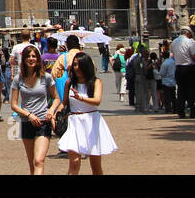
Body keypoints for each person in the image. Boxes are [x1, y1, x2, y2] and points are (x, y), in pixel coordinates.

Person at [56, 52, 116, 174]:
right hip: (75, 122)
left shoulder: (96, 82)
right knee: (74, 162)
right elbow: (64, 102)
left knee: (95, 165)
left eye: (78, 65)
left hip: (92, 122)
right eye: (74, 65)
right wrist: (56, 112)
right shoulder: (70, 82)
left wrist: (81, 98)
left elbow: (97, 101)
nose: (76, 68)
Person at [11, 45, 61, 175]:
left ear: (38, 59)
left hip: (43, 121)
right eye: (28, 56)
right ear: (24, 59)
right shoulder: (18, 79)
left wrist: (51, 111)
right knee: (32, 163)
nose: (31, 59)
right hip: (26, 122)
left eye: (33, 56)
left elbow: (57, 98)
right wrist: (29, 115)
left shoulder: (46, 78)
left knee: (39, 161)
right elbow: (14, 105)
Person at [171, 25, 195, 118]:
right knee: (192, 91)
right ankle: (193, 112)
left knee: (181, 91)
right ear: (188, 33)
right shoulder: (190, 42)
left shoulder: (174, 42)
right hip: (189, 68)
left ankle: (181, 112)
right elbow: (194, 56)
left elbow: (172, 55)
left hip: (179, 68)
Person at [158, 47, 177, 114]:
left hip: (166, 82)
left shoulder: (165, 64)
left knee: (167, 97)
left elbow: (162, 73)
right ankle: (175, 108)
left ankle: (168, 109)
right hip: (173, 81)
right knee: (173, 96)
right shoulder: (173, 62)